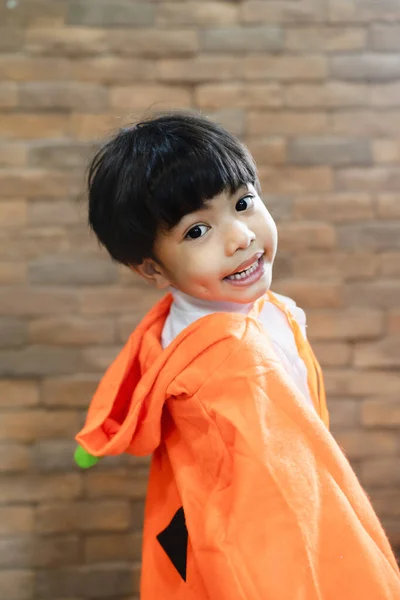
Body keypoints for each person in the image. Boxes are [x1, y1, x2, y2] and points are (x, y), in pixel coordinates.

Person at [75, 111, 400, 599]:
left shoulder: (206, 315)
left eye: (244, 203)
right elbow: (275, 509)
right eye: (197, 232)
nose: (241, 236)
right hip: (260, 552)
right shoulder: (233, 364)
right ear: (152, 268)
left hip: (201, 521)